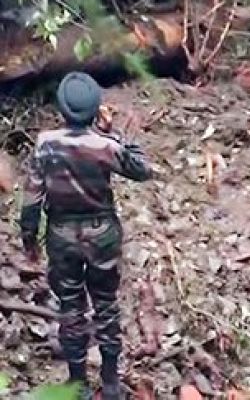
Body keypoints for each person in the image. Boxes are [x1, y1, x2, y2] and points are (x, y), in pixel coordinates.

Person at [20, 72, 152, 400]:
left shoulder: (45, 144)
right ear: (95, 110)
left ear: (62, 109)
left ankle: (78, 382)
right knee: (106, 305)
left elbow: (32, 198)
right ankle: (110, 382)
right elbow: (142, 170)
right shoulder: (105, 146)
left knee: (70, 307)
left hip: (62, 234)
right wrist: (118, 136)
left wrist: (29, 238)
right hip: (102, 232)